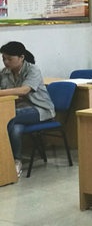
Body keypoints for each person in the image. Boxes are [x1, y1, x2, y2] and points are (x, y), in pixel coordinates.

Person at [1, 41, 55, 178]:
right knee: (15, 127)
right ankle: (15, 161)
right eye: (3, 59)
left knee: (9, 117)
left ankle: (7, 158)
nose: (6, 62)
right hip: (19, 111)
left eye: (9, 59)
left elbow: (24, 90)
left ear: (21, 57)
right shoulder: (4, 73)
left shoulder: (32, 70)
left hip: (40, 109)